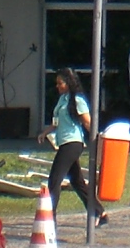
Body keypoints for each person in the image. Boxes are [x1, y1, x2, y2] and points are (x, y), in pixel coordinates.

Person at [45, 68, 107, 228]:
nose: (57, 86)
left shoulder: (77, 100)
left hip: (72, 143)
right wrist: (44, 133)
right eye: (57, 83)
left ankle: (50, 218)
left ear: (68, 83)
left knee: (54, 180)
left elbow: (87, 122)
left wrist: (98, 139)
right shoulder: (62, 99)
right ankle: (99, 211)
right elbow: (56, 122)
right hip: (64, 142)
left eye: (60, 83)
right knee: (77, 181)